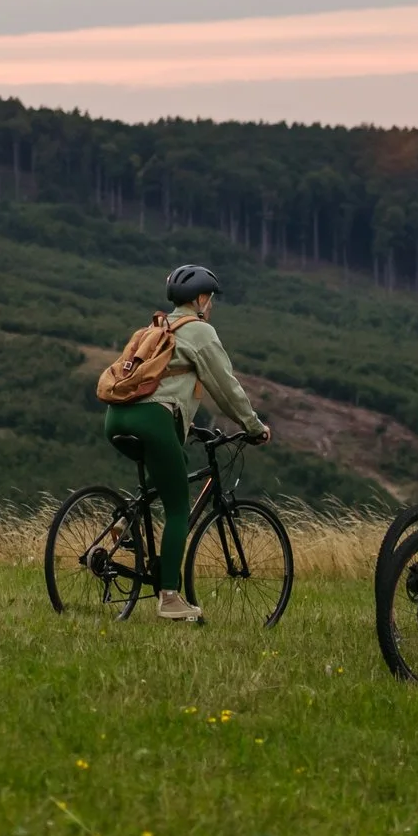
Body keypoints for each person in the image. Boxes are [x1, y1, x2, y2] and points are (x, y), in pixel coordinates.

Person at [104, 263, 271, 623]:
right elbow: (226, 388)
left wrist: (186, 424)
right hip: (153, 420)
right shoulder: (200, 332)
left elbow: (164, 385)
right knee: (179, 508)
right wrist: (253, 426)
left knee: (166, 471)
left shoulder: (156, 328)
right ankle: (169, 597)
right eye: (209, 299)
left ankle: (124, 522)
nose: (210, 305)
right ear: (200, 298)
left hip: (116, 416)